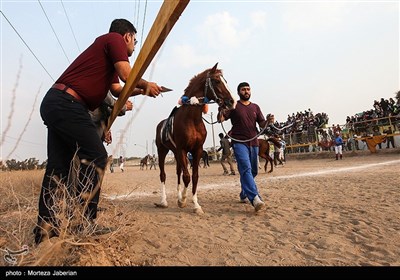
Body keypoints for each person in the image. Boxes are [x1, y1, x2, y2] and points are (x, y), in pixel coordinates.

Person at [34, 18, 162, 244]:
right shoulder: (113, 39)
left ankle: (45, 229)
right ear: (127, 36)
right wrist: (145, 83)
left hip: (56, 102)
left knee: (58, 168)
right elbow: (126, 74)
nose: (133, 47)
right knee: (97, 156)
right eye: (135, 41)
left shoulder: (107, 57)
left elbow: (117, 88)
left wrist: (141, 91)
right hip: (67, 103)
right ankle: (84, 223)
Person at [218, 82, 268, 212]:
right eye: (243, 90)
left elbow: (262, 123)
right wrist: (221, 109)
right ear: (239, 92)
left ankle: (243, 193)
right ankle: (255, 199)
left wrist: (268, 121)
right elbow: (221, 119)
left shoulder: (255, 107)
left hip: (253, 142)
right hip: (239, 142)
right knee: (245, 168)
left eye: (248, 89)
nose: (246, 91)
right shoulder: (234, 106)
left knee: (254, 171)